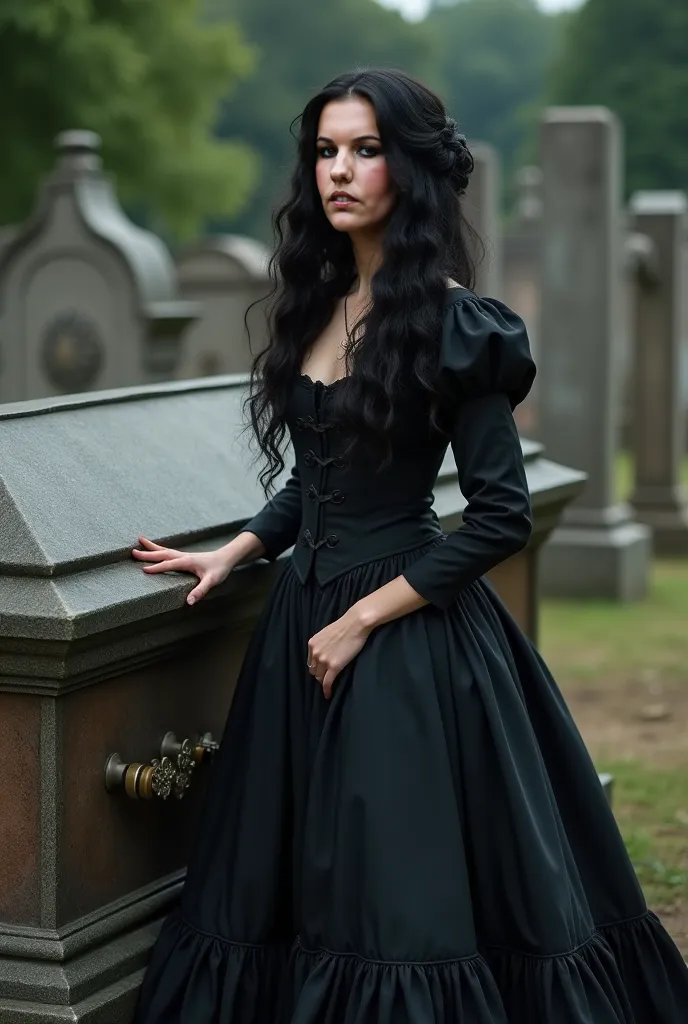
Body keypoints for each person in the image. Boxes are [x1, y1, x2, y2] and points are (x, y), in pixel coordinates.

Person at [131, 68, 688, 1023]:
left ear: (412, 171)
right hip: (298, 623)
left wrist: (361, 620)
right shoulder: (317, 305)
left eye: (365, 150)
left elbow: (500, 514)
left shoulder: (452, 323)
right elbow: (317, 479)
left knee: (392, 898)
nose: (338, 172)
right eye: (325, 152)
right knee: (283, 887)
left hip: (404, 643)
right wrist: (236, 551)